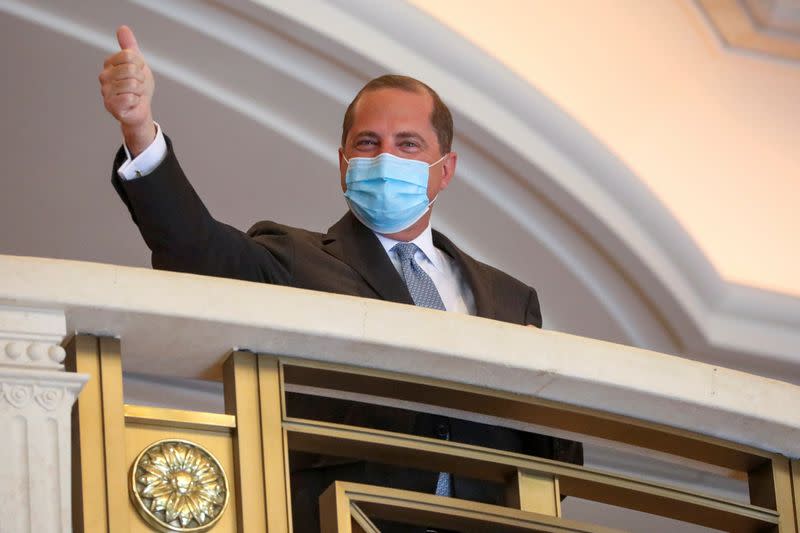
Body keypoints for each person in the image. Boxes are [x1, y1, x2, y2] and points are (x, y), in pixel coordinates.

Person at [100, 25, 581, 532]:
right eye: (368, 143)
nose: (385, 157)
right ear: (344, 163)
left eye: (409, 144)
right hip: (343, 519)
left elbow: (557, 457)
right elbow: (194, 248)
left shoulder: (510, 297)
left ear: (445, 169)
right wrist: (139, 131)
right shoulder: (293, 257)